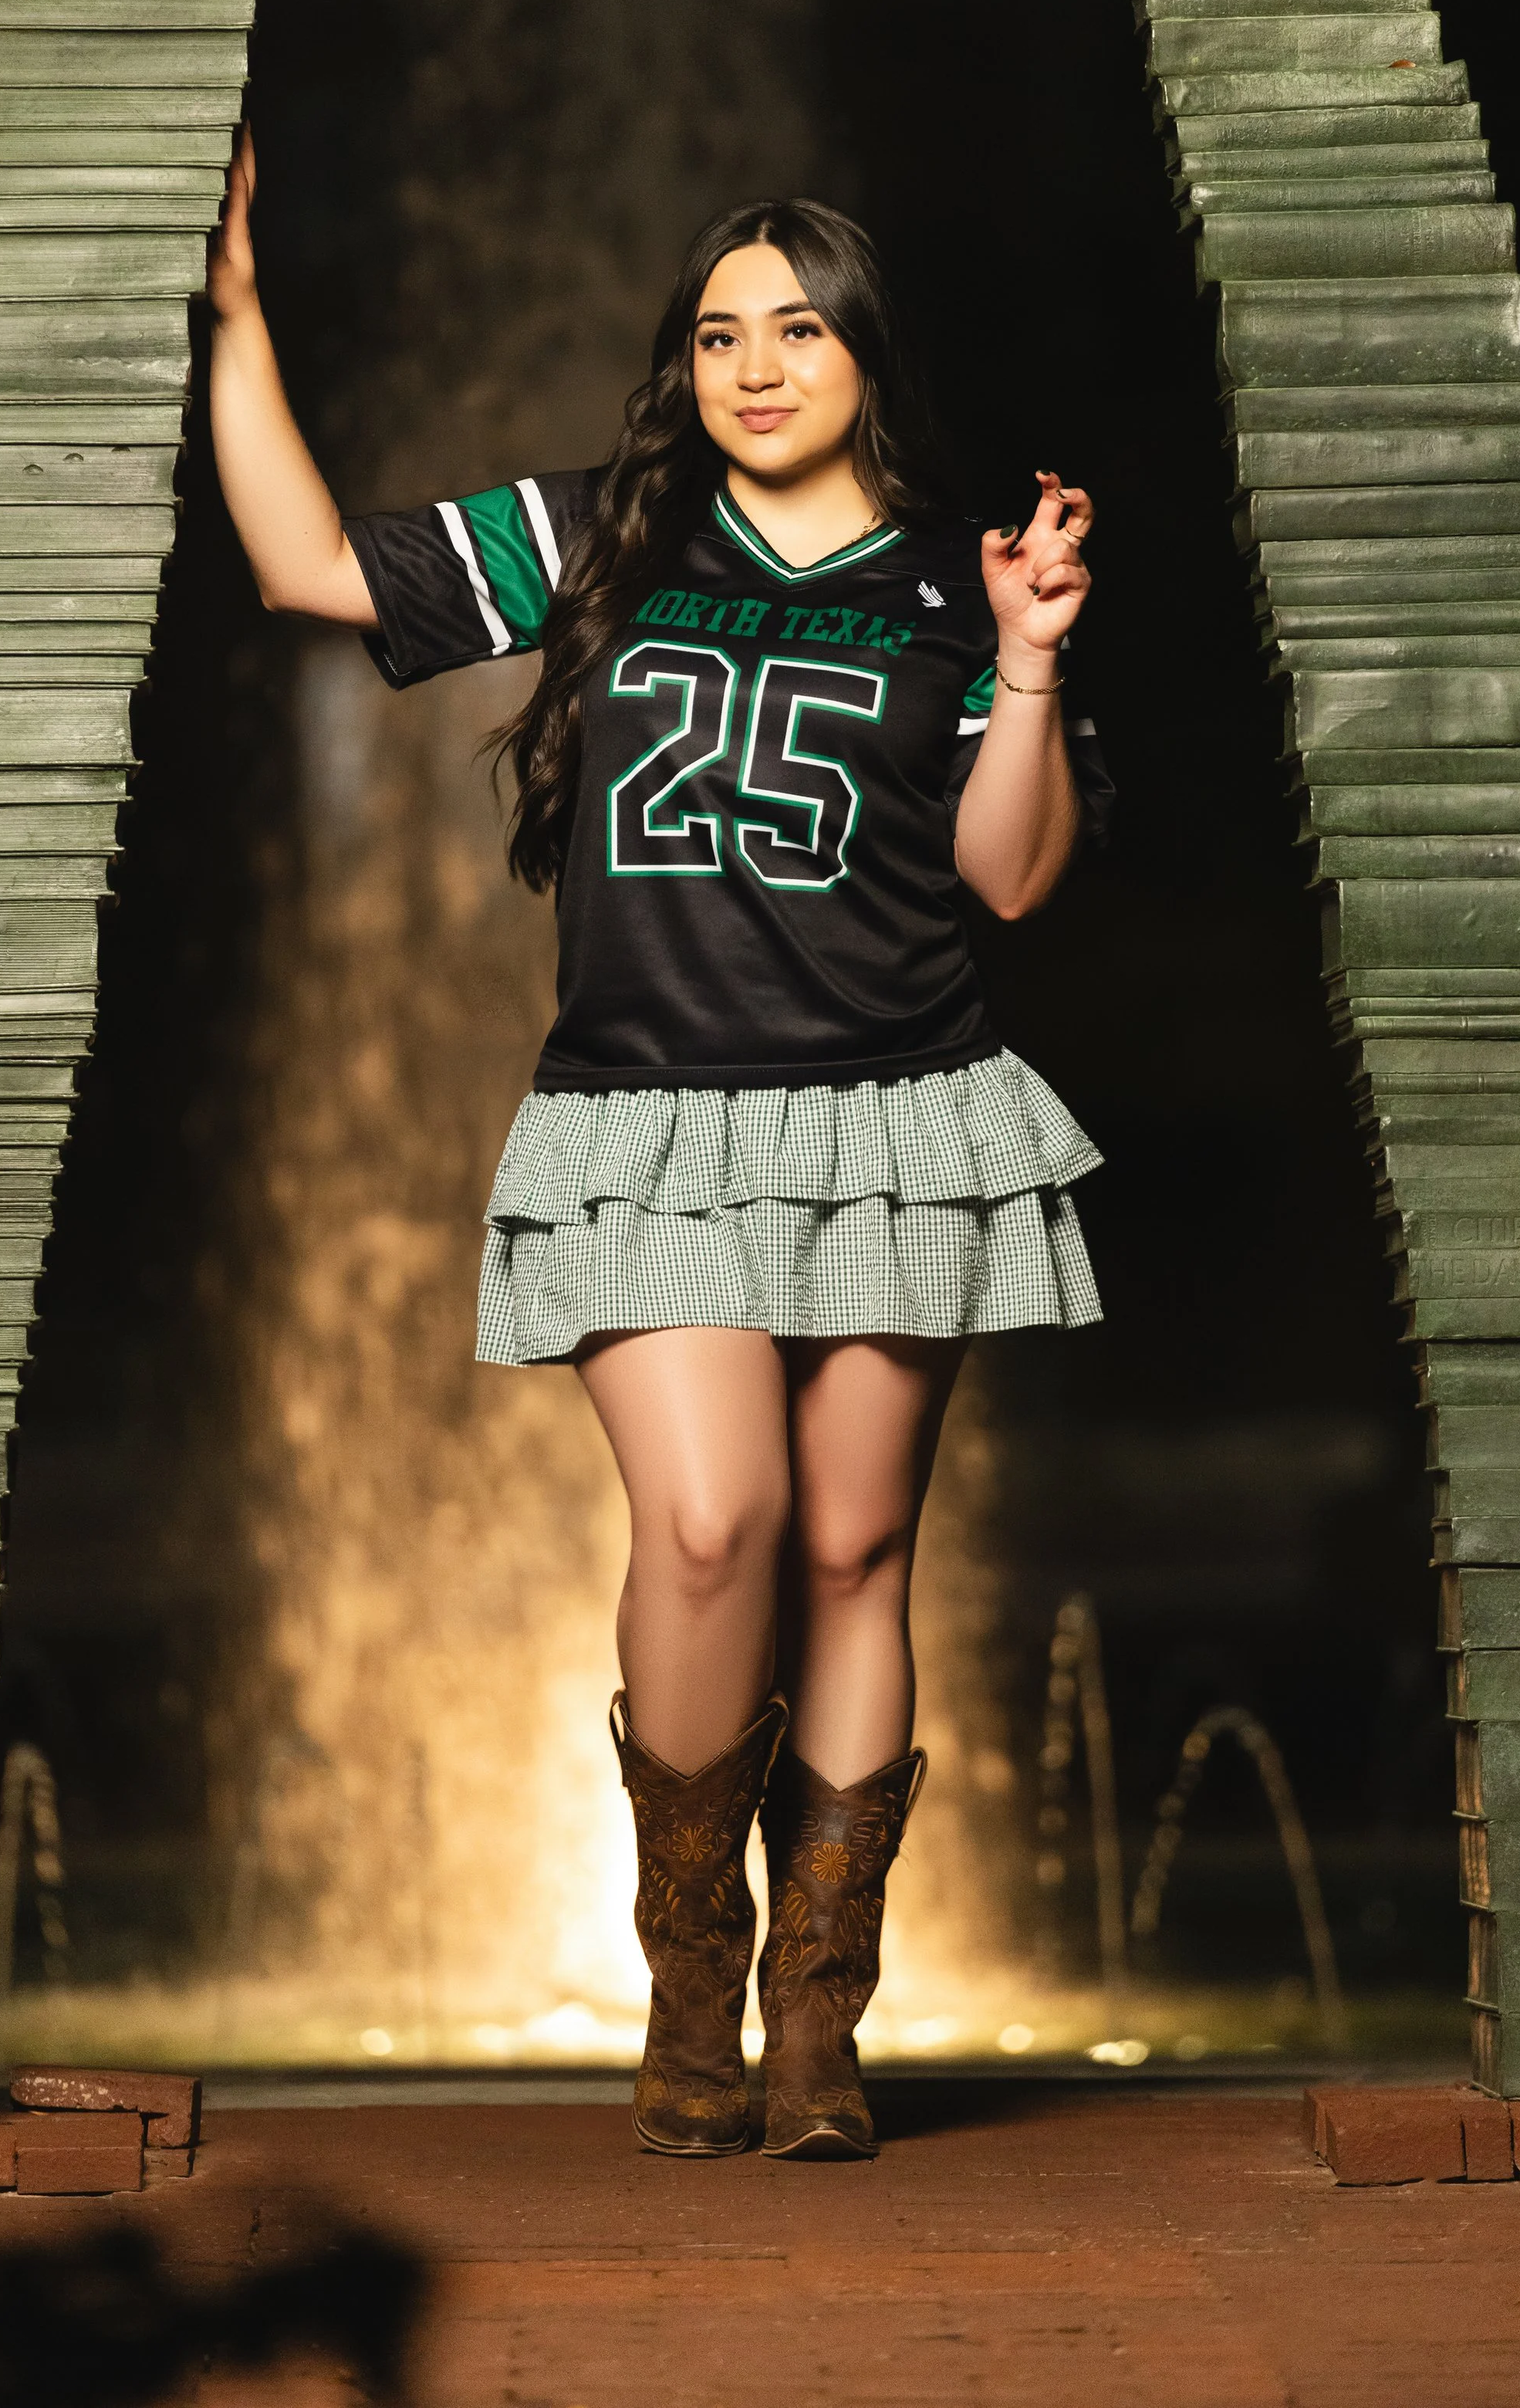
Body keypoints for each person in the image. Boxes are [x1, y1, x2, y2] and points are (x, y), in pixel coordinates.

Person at [207, 135, 1112, 2161]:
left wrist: (1032, 653)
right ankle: (687, 1975)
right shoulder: (604, 533)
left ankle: (813, 2028)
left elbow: (1011, 876)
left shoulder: (954, 579)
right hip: (643, 1119)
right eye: (719, 331)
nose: (756, 362)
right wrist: (239, 322)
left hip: (896, 1112)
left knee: (856, 1546)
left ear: (863, 351)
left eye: (796, 325)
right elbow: (303, 568)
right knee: (711, 1520)